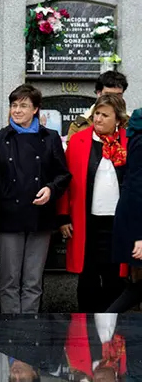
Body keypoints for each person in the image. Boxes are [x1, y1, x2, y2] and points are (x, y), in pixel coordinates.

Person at [0, 84, 71, 314]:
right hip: (8, 216)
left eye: (23, 105)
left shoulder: (50, 138)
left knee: (33, 281)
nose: (17, 110)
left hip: (40, 217)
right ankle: (10, 332)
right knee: (9, 280)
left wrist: (51, 189)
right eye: (14, 105)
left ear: (35, 109)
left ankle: (30, 332)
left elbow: (63, 174)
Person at [59, 93, 128, 312]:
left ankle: (113, 335)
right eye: (96, 113)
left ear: (117, 119)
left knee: (115, 279)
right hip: (86, 222)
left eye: (104, 115)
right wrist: (63, 217)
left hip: (118, 225)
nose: (97, 119)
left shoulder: (130, 141)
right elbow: (66, 182)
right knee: (87, 278)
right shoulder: (79, 141)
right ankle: (85, 332)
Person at [107, 108, 142, 313]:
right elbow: (137, 188)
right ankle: (104, 324)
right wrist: (139, 236)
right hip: (136, 221)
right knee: (136, 286)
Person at [67, 71, 127, 141]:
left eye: (118, 95)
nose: (113, 99)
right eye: (108, 95)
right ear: (99, 93)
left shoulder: (131, 123)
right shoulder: (80, 126)